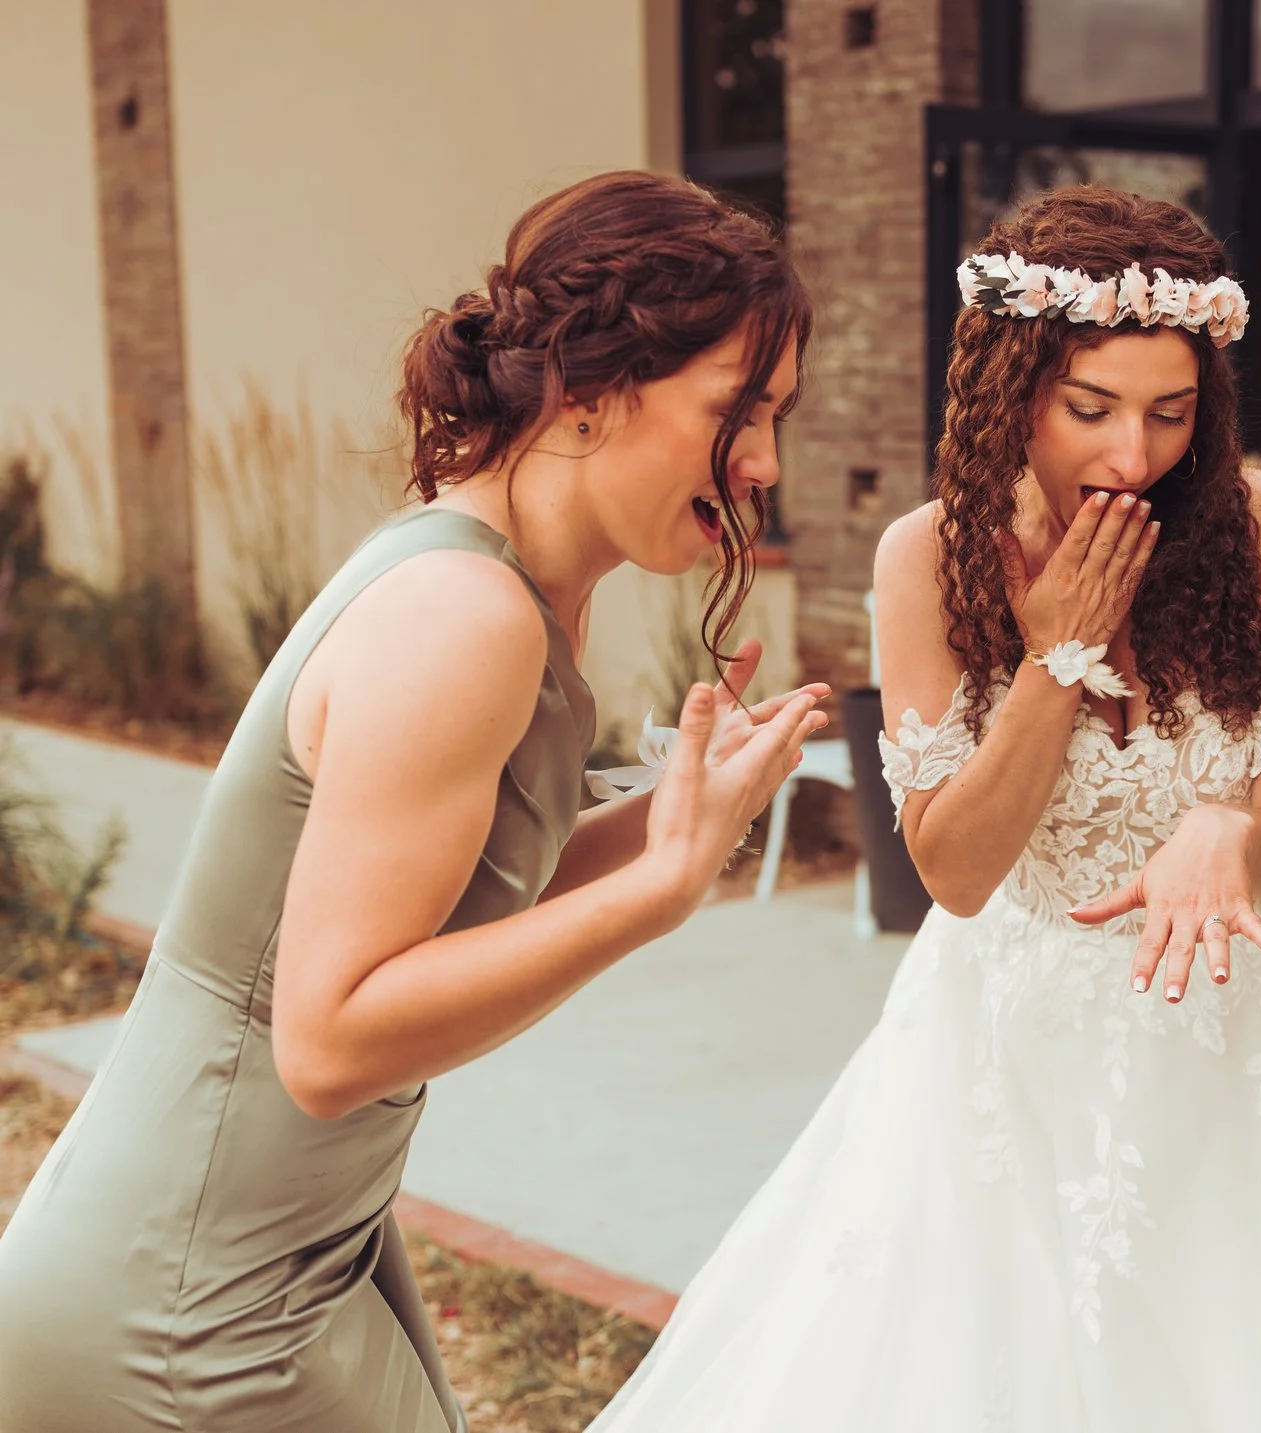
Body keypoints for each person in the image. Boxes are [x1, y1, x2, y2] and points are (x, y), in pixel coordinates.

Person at [583, 187, 1261, 1432]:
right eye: (1089, 409)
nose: (1133, 455)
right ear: (1009, 385)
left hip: (1255, 1021)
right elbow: (953, 869)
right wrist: (1057, 659)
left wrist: (1223, 831)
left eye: (1172, 410)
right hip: (1014, 1039)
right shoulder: (924, 558)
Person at [0, 171, 830, 1433]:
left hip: (267, 1258)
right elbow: (329, 1041)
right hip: (188, 1306)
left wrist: (666, 823)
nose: (765, 461)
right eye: (737, 410)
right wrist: (658, 895)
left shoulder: (517, 585)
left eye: (777, 417)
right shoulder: (463, 616)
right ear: (590, 392)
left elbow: (449, 901)